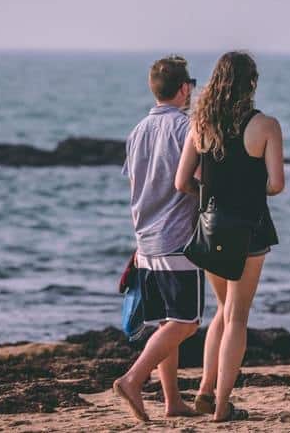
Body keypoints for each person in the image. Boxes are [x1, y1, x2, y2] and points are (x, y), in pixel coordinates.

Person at [175, 51, 285, 422]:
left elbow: (181, 182)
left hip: (211, 227)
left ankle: (205, 390)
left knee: (220, 311)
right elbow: (276, 184)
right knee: (237, 317)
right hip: (250, 229)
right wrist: (254, 190)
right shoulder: (265, 125)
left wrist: (209, 199)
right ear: (250, 83)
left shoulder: (200, 125)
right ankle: (222, 407)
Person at [113, 55, 204, 422]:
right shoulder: (187, 129)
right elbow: (196, 180)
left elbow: (137, 187)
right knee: (187, 323)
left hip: (145, 239)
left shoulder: (137, 131)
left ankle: (172, 402)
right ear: (184, 89)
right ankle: (133, 379)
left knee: (168, 322)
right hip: (177, 238)